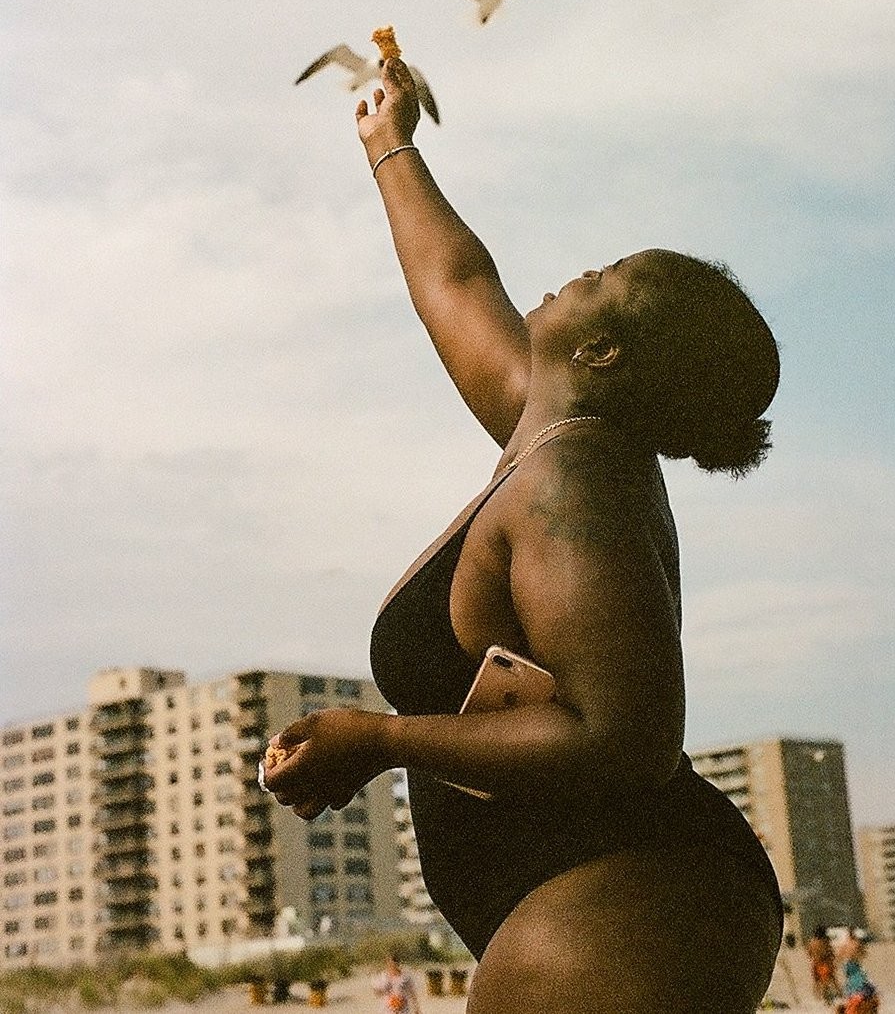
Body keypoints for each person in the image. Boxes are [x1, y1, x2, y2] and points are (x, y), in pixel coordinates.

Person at [264, 59, 784, 1012]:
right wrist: (389, 139)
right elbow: (455, 282)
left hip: (629, 895)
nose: (581, 270)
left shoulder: (573, 485)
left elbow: (621, 737)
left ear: (601, 350)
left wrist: (376, 739)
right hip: (593, 896)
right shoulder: (547, 436)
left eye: (605, 277)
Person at [807, 924, 841, 1005]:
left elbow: (809, 953)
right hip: (825, 963)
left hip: (815, 963)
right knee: (831, 980)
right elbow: (830, 952)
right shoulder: (824, 942)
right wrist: (832, 960)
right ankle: (837, 995)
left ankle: (818, 998)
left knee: (817, 982)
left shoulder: (811, 942)